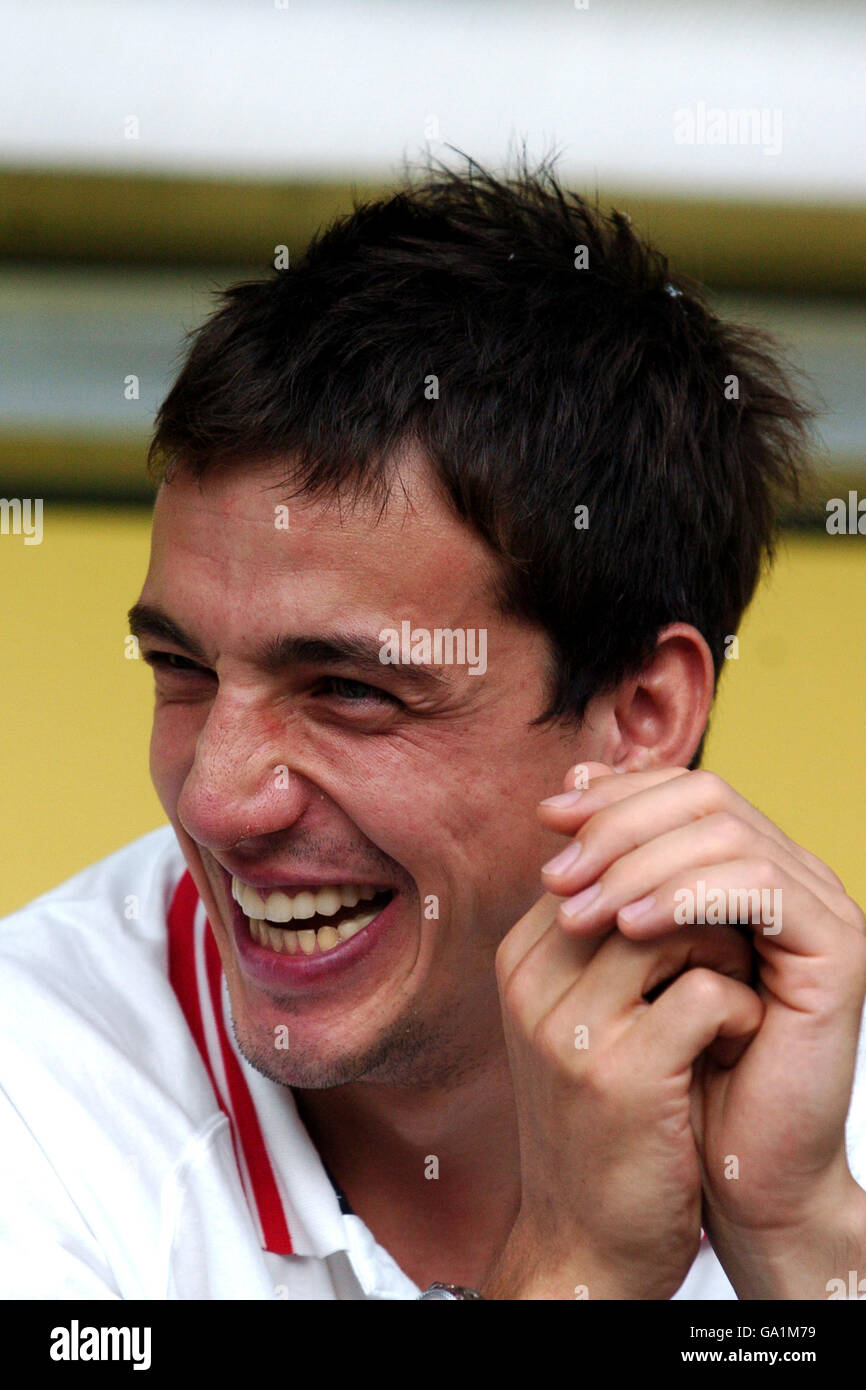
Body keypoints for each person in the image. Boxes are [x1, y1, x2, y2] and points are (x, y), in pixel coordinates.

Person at [2, 152, 864, 1301]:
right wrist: (578, 1273)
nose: (213, 800)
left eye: (350, 690)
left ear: (641, 714)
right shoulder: (35, 1089)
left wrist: (799, 1233)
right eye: (183, 668)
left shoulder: (821, 1074)